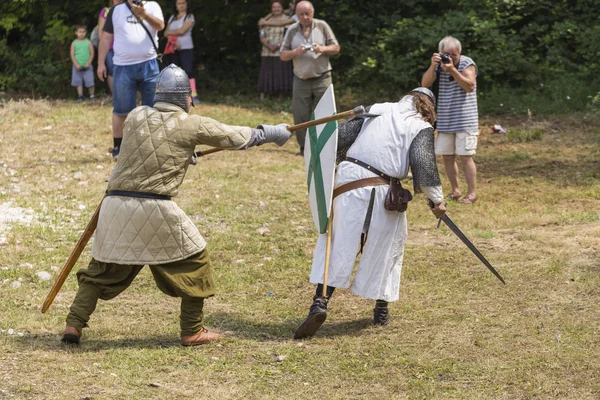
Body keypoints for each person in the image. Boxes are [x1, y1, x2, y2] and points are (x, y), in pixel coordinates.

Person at [61, 64, 292, 346]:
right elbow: (234, 137)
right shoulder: (190, 123)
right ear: (185, 97)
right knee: (196, 261)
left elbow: (152, 145)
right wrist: (271, 132)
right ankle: (192, 330)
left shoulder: (135, 116)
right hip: (154, 207)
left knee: (101, 271)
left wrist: (183, 153)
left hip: (114, 204)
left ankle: (73, 326)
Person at [294, 88, 447, 340]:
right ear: (428, 108)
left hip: (346, 182)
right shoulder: (419, 125)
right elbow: (424, 166)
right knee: (388, 246)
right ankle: (381, 308)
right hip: (381, 190)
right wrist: (437, 201)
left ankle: (319, 303)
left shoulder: (376, 108)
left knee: (336, 243)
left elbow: (339, 139)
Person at [97, 0, 164, 161]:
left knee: (153, 110)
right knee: (121, 110)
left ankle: (151, 147)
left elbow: (160, 26)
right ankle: (118, 148)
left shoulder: (153, 6)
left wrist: (144, 15)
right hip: (123, 66)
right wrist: (100, 63)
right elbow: (106, 38)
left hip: (150, 64)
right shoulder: (116, 10)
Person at [421, 36, 479, 204]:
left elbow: (469, 86)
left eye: (454, 54)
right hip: (446, 119)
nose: (451, 58)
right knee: (447, 156)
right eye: (447, 54)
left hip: (464, 119)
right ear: (440, 53)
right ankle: (455, 191)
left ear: (459, 52)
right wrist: (433, 65)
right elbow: (425, 84)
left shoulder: (467, 63)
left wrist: (453, 70)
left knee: (465, 156)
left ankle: (472, 194)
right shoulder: (439, 65)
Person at [280, 1, 339, 156]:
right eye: (301, 14)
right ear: (296, 15)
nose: (305, 17)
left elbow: (336, 47)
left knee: (325, 113)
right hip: (301, 77)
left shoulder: (322, 25)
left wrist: (322, 48)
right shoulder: (291, 30)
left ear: (313, 12)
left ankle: (327, 147)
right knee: (300, 115)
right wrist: (295, 52)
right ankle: (304, 148)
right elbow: (283, 55)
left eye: (308, 13)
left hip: (322, 76)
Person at [163, 0, 200, 105]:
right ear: (176, 5)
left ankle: (193, 95)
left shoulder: (189, 16)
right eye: (179, 3)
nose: (181, 5)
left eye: (183, 3)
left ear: (187, 4)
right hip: (173, 48)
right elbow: (165, 33)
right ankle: (177, 95)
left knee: (188, 71)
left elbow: (182, 31)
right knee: (175, 72)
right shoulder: (172, 17)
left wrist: (170, 33)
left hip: (186, 48)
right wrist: (174, 39)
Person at [257, 0, 294, 101]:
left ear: (282, 8)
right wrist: (268, 45)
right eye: (274, 7)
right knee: (266, 72)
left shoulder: (287, 19)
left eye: (278, 7)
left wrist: (278, 45)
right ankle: (264, 94)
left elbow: (287, 36)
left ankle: (280, 95)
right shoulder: (265, 20)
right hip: (266, 51)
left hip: (280, 51)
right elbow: (262, 34)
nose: (276, 9)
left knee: (281, 73)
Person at [97, 0, 124, 96]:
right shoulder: (106, 11)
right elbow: (101, 30)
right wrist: (103, 44)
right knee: (111, 71)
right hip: (110, 47)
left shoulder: (127, 10)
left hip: (122, 47)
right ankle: (115, 95)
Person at [70, 24, 95, 102]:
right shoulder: (74, 43)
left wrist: (88, 63)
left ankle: (92, 96)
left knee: (90, 81)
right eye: (80, 32)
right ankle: (80, 96)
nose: (82, 33)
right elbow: (72, 54)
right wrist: (76, 64)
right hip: (77, 65)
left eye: (83, 32)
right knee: (78, 82)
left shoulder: (88, 42)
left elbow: (92, 53)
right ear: (76, 33)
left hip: (87, 65)